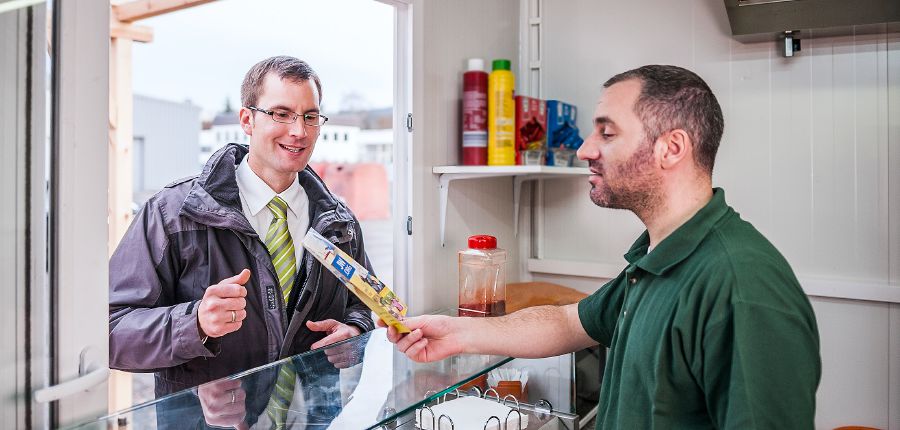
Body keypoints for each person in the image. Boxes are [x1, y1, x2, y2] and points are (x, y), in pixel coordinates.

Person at [385, 65, 821, 429]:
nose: (583, 149)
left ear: (672, 148)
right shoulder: (654, 261)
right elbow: (567, 323)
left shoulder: (742, 288)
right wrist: (459, 333)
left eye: (607, 134)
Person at [109, 56, 375, 396]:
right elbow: (110, 330)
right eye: (281, 114)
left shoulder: (340, 223)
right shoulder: (172, 213)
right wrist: (195, 324)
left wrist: (354, 330)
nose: (299, 131)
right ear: (247, 120)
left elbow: (365, 304)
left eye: (310, 116)